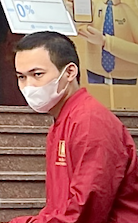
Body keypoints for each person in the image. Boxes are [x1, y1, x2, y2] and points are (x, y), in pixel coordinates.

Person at [10, 31, 138, 223]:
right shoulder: (64, 120)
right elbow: (59, 208)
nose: (29, 86)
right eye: (21, 77)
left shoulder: (90, 122)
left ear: (70, 72)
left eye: (37, 74)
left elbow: (84, 211)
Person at [71, 0, 138, 85]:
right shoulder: (92, 7)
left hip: (125, 78)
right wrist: (71, 12)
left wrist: (105, 42)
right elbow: (79, 30)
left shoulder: (127, 11)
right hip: (94, 75)